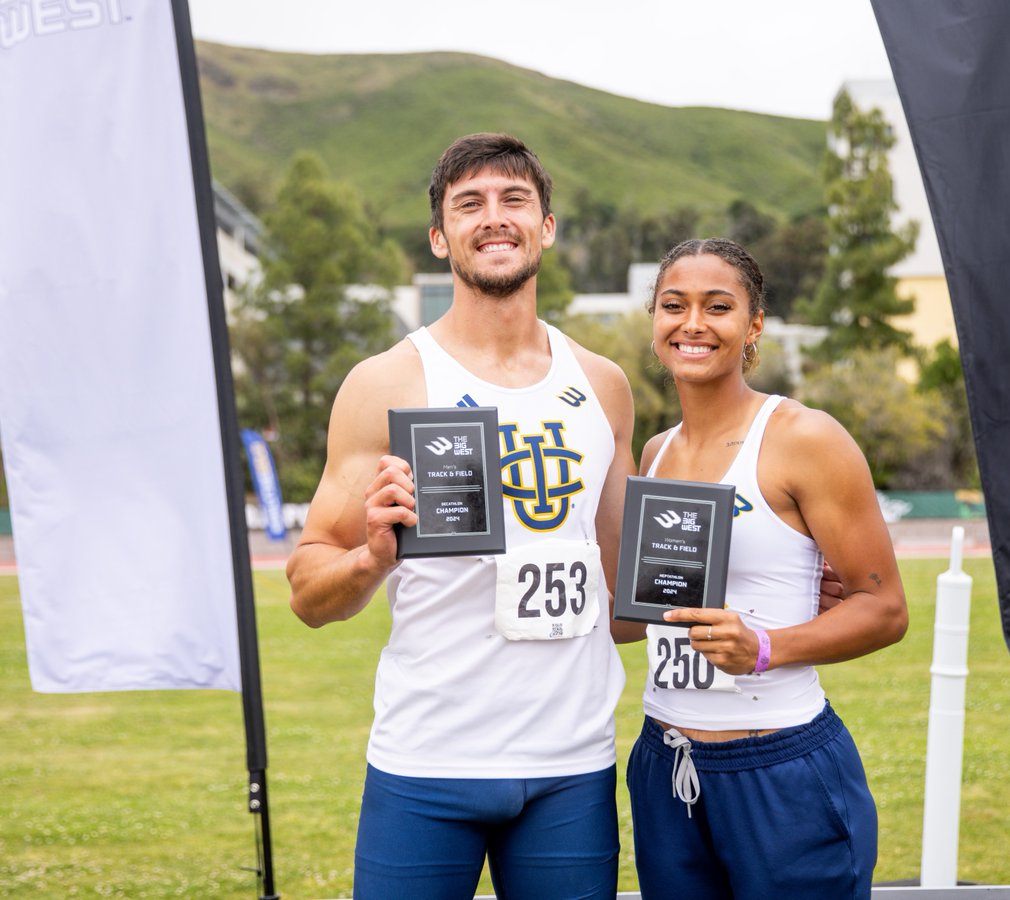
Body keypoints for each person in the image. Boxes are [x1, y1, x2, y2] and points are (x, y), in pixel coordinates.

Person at [286, 133, 642, 899]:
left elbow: (627, 598)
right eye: (469, 204)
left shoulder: (606, 387)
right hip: (428, 761)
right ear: (440, 236)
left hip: (570, 766)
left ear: (547, 225)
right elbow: (308, 591)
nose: (495, 218)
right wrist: (370, 560)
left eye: (515, 200)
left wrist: (771, 599)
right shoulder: (386, 382)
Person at [625, 238, 908, 900]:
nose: (692, 324)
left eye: (717, 307)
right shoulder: (655, 453)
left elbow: (885, 608)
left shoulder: (804, 438)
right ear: (654, 320)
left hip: (778, 766)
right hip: (665, 765)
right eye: (674, 305)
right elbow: (639, 613)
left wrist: (763, 648)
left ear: (753, 326)